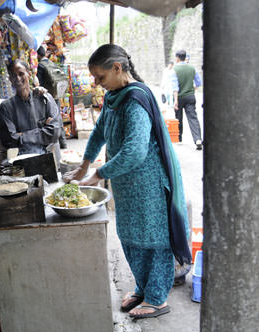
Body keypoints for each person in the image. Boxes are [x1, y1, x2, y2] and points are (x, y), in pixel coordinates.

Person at [63, 44, 191, 319]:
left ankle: (157, 298)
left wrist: (98, 174)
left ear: (118, 68)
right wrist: (83, 166)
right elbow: (99, 132)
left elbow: (135, 151)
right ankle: (143, 288)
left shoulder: (135, 100)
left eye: (100, 77)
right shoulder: (114, 97)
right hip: (126, 184)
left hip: (149, 184)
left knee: (154, 239)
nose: (97, 84)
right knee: (131, 236)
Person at [0, 59, 61, 156]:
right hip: (22, 162)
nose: (18, 78)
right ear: (10, 79)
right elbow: (9, 140)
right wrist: (43, 131)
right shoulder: (6, 107)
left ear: (29, 74)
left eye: (21, 74)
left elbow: (55, 132)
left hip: (49, 157)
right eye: (14, 76)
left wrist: (21, 136)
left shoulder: (45, 99)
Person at [37, 45, 68, 149]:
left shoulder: (40, 65)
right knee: (58, 116)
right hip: (56, 94)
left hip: (48, 96)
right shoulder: (51, 63)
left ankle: (55, 144)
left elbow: (39, 83)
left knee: (51, 119)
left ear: (37, 55)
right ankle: (63, 142)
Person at [171, 49, 203, 150]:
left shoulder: (174, 69)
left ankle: (179, 138)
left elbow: (175, 87)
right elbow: (198, 83)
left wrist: (175, 100)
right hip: (190, 96)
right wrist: (192, 87)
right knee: (193, 117)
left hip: (179, 97)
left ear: (177, 58)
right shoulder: (192, 68)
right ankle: (197, 139)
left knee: (178, 118)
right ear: (185, 57)